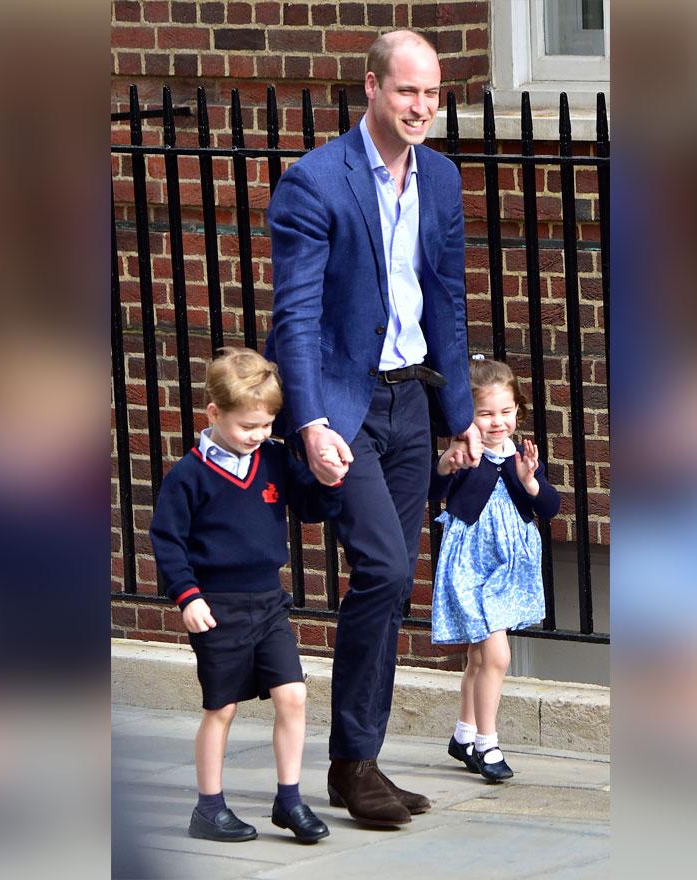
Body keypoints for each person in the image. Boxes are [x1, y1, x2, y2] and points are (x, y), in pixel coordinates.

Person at [264, 29, 482, 827]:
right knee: (386, 570)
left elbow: (447, 300)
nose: (422, 106)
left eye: (432, 93)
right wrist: (311, 421)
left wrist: (459, 416)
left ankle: (359, 762)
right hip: (345, 408)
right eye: (407, 91)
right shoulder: (315, 182)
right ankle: (352, 765)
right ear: (372, 89)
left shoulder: (446, 180)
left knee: (389, 590)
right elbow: (295, 315)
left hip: (412, 404)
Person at [149, 347, 342, 844]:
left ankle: (290, 800)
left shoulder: (274, 458)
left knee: (293, 694)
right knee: (222, 708)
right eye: (247, 426)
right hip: (217, 606)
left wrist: (330, 480)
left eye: (266, 426)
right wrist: (188, 597)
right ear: (214, 414)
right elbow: (167, 540)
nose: (257, 436)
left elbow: (310, 505)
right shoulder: (189, 476)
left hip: (268, 602)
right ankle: (208, 808)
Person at [429, 356, 561, 782]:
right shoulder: (466, 454)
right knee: (497, 657)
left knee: (478, 657)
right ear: (469, 415)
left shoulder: (521, 455)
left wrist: (531, 482)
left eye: (506, 412)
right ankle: (487, 744)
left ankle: (463, 735)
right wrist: (448, 464)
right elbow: (436, 490)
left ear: (517, 411)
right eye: (485, 413)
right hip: (472, 565)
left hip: (509, 567)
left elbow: (550, 508)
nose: (497, 422)